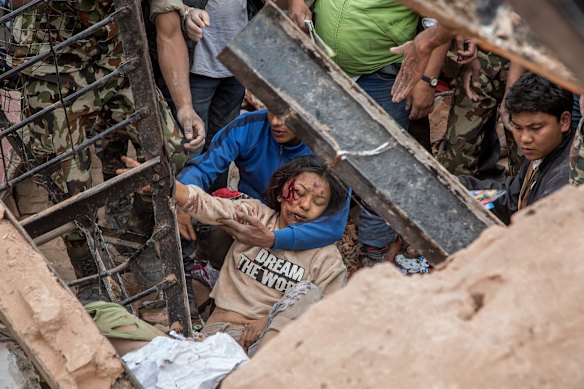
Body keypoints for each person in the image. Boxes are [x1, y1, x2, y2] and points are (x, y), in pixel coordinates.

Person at [8, 0, 204, 302]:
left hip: (116, 59)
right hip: (51, 62)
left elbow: (168, 32)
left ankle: (136, 241)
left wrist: (186, 107)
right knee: (69, 185)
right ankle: (90, 275)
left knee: (172, 150)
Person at [295, 0, 450, 266]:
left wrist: (427, 80)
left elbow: (442, 21)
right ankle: (311, 238)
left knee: (381, 168)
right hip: (323, 65)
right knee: (317, 155)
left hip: (382, 76)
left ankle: (375, 248)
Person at [177, 156, 348, 352]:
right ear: (280, 194)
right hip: (219, 332)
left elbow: (335, 313)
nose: (305, 205)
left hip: (272, 344)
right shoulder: (256, 214)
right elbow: (211, 207)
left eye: (318, 201)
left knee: (309, 292)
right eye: (298, 193)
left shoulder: (325, 255)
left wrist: (271, 321)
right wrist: (174, 189)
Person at [176, 110, 350, 255]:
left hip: (301, 224)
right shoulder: (247, 127)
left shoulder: (333, 151)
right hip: (251, 213)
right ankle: (209, 269)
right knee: (216, 225)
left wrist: (273, 239)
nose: (276, 122)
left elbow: (333, 225)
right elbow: (203, 168)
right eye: (272, 109)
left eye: (287, 114)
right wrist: (183, 199)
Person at [459, 72, 575, 224]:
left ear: (564, 121)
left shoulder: (564, 181)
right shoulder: (542, 152)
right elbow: (509, 199)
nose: (525, 139)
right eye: (517, 128)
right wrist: (462, 191)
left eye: (536, 128)